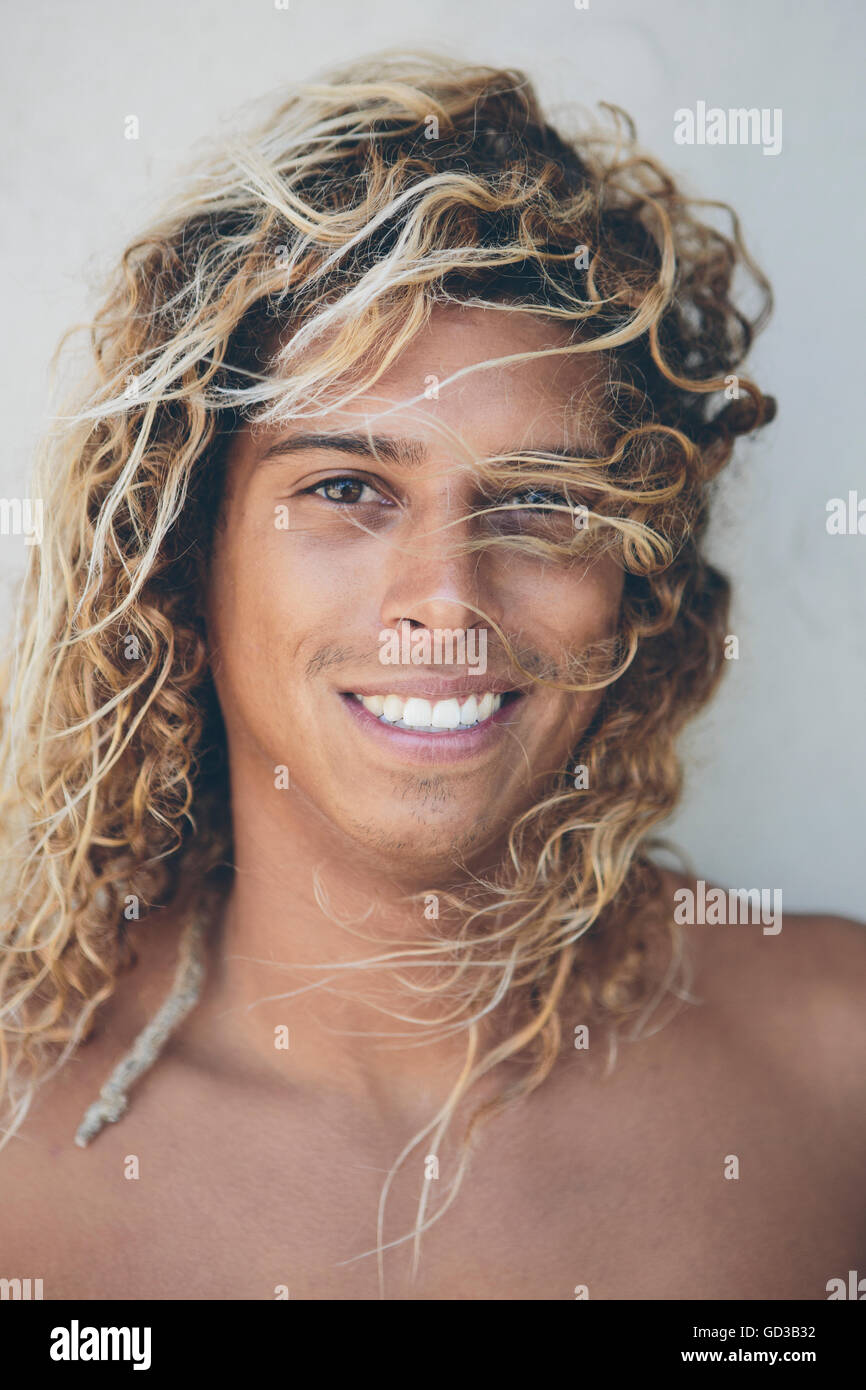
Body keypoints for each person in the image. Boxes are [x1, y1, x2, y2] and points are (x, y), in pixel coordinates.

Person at [1, 53, 863, 1302]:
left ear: (637, 578)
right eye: (346, 487)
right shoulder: (21, 1142)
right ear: (185, 560)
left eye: (540, 503)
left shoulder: (836, 1065)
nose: (447, 596)